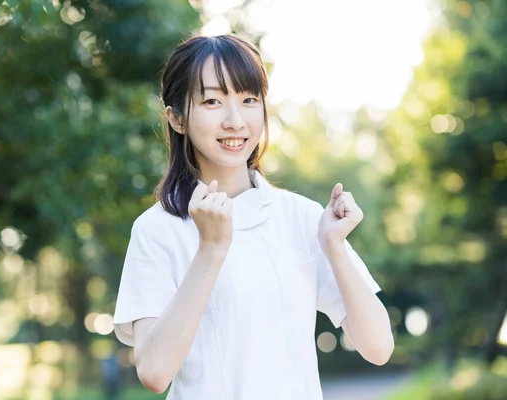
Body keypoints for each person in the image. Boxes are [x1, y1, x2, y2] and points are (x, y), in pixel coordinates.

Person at [112, 34, 394, 399]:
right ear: (176, 118)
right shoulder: (157, 229)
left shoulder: (302, 217)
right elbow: (154, 371)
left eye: (248, 100)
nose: (235, 121)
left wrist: (334, 247)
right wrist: (211, 248)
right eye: (212, 101)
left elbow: (378, 347)